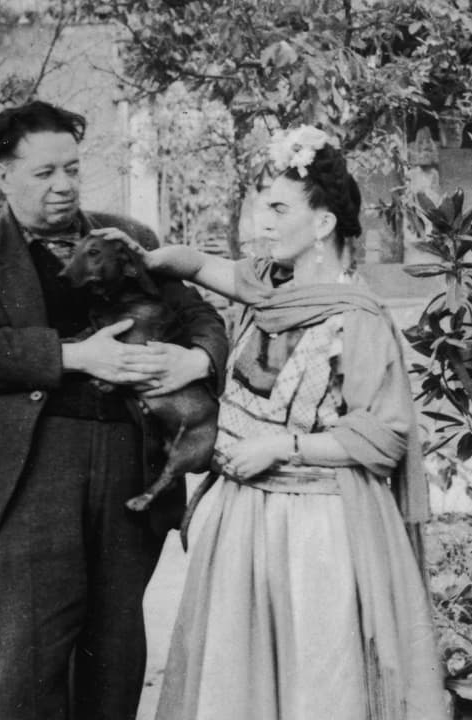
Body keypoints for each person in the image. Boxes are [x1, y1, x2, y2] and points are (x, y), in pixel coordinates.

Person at [0, 100, 228, 720]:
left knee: (112, 665)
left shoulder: (127, 239)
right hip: (24, 478)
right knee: (24, 673)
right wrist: (78, 357)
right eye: (44, 172)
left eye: (73, 169)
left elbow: (202, 319)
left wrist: (195, 362)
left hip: (127, 470)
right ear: (3, 174)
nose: (64, 185)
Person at [141, 126, 449, 720]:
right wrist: (151, 259)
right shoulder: (266, 289)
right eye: (261, 207)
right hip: (244, 520)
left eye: (279, 209)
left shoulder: (356, 317)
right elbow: (198, 264)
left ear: (324, 223)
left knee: (317, 679)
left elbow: (382, 435)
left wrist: (284, 446)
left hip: (321, 527)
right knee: (239, 682)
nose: (262, 223)